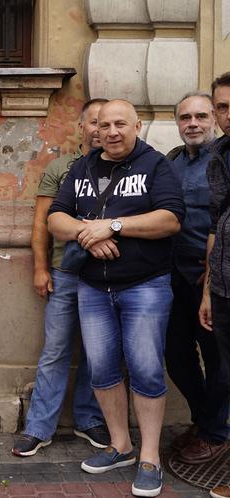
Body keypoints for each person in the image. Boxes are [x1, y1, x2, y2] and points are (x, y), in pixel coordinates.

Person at [48, 100, 185, 497]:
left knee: (145, 370)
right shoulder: (84, 166)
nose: (110, 131)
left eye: (120, 123)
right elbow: (56, 217)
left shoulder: (155, 165)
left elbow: (171, 218)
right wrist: (87, 235)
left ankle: (150, 458)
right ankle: (121, 446)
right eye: (104, 124)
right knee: (103, 371)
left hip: (144, 285)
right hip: (92, 287)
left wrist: (115, 225)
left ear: (137, 125)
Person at [12, 99, 109, 457]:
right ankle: (39, 427)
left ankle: (89, 419)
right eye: (94, 123)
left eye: (108, 122)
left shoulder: (126, 169)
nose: (101, 130)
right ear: (82, 128)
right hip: (65, 273)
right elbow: (41, 223)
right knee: (56, 351)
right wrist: (40, 267)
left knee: (99, 353)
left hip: (108, 276)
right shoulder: (60, 168)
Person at [164, 92, 228, 464]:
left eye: (201, 116)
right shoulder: (171, 162)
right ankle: (206, 419)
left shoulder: (222, 160)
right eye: (185, 117)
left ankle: (214, 432)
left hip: (214, 274)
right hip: (173, 272)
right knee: (175, 355)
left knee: (217, 360)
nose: (193, 123)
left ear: (213, 119)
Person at [199, 72, 230, 498]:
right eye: (222, 106)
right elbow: (214, 226)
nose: (227, 114)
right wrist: (206, 289)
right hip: (224, 287)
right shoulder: (219, 154)